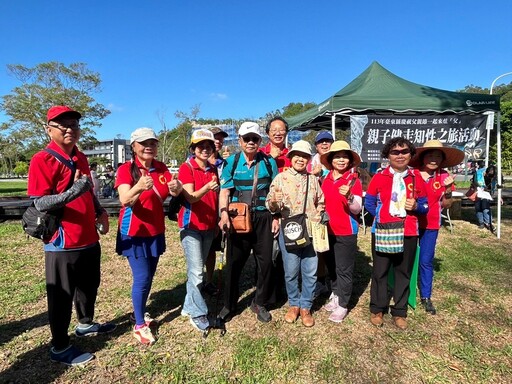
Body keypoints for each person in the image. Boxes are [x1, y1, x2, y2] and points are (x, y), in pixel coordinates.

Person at [27, 105, 114, 366]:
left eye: (74, 125)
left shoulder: (81, 157)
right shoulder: (42, 159)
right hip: (61, 242)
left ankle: (85, 324)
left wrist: (99, 211)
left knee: (89, 286)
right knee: (61, 296)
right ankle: (60, 346)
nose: (69, 129)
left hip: (88, 235)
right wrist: (75, 189)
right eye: (62, 124)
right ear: (49, 129)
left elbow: (88, 191)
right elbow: (40, 203)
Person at [115, 127, 182, 345]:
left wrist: (176, 187)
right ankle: (139, 325)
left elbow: (171, 191)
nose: (148, 147)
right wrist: (139, 187)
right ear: (133, 146)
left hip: (155, 231)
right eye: (143, 143)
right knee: (142, 277)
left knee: (149, 276)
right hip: (134, 231)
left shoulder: (162, 168)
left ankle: (140, 311)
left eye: (152, 143)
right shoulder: (126, 169)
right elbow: (124, 199)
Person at [217, 122, 279, 323]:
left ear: (260, 141)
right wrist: (223, 214)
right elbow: (225, 191)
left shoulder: (269, 162)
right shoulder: (231, 163)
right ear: (240, 141)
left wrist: (276, 217)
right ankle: (229, 304)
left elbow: (276, 191)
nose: (251, 142)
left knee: (266, 263)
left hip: (264, 218)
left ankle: (259, 302)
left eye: (255, 139)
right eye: (247, 139)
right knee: (234, 263)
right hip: (238, 218)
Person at [364, 137, 428, 330]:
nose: (400, 155)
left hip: (408, 230)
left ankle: (399, 311)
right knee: (380, 271)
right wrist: (383, 216)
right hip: (384, 230)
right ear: (387, 155)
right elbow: (369, 203)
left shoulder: (416, 178)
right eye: (395, 152)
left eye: (404, 151)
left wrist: (417, 206)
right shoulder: (379, 177)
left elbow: (426, 206)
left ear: (411, 154)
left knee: (403, 272)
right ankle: (377, 308)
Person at [266, 141, 325, 327]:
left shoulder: (313, 180)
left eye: (305, 156)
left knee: (310, 270)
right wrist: (274, 204)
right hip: (289, 231)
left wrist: (317, 216)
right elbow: (270, 204)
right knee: (291, 270)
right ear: (290, 157)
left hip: (311, 231)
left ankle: (306, 306)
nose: (300, 159)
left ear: (308, 159)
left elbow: (321, 202)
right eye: (297, 155)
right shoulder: (280, 179)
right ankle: (294, 304)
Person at [410, 139, 464, 315]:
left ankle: (426, 296)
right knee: (406, 258)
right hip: (410, 223)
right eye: (430, 155)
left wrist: (448, 190)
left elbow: (446, 205)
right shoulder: (412, 174)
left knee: (426, 260)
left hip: (431, 224)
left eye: (438, 156)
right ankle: (402, 292)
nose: (434, 159)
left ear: (442, 159)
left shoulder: (444, 177)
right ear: (423, 157)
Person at [178, 129, 220, 332]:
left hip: (209, 226)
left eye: (208, 146)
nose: (205, 149)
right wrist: (207, 188)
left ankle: (188, 306)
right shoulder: (187, 168)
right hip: (191, 226)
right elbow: (190, 197)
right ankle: (198, 313)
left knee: (197, 270)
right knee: (196, 272)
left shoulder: (213, 169)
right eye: (200, 146)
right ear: (193, 149)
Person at [319, 141, 363, 323]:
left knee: (344, 269)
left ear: (350, 160)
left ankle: (343, 304)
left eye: (345, 156)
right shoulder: (325, 179)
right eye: (337, 156)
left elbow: (357, 209)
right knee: (332, 265)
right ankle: (336, 294)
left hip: (346, 231)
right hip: (327, 230)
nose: (341, 160)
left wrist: (350, 197)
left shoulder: (354, 180)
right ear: (330, 160)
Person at [307, 131, 334, 297]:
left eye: (328, 141)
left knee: (335, 247)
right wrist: (314, 174)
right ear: (316, 145)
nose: (324, 145)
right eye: (321, 142)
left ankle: (334, 281)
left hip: (335, 210)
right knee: (319, 247)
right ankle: (320, 280)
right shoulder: (311, 163)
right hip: (317, 211)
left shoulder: (339, 159)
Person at [203, 126, 230, 297]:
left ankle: (210, 280)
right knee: (201, 250)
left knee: (215, 247)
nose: (218, 141)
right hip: (203, 211)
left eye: (221, 138)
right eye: (215, 137)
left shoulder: (224, 162)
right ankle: (199, 281)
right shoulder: (197, 161)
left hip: (220, 210)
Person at [472, 160, 495, 232]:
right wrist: (479, 187)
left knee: (485, 207)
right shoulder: (478, 173)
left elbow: (493, 185)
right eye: (487, 174)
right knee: (478, 207)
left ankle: (488, 222)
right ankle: (481, 222)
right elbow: (474, 181)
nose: (488, 176)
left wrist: (489, 191)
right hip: (478, 192)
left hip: (486, 193)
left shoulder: (494, 175)